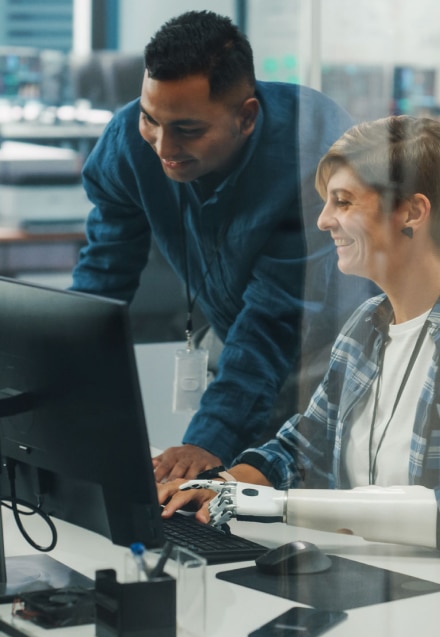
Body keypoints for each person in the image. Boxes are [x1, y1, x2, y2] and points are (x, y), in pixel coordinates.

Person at [70, 10, 374, 482]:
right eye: (152, 119)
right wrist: (58, 384)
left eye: (188, 130)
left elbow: (274, 319)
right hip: (235, 337)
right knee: (217, 499)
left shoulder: (308, 146)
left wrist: (207, 440)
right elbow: (104, 271)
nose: (163, 146)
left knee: (309, 502)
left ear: (246, 116)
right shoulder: (131, 138)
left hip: (335, 360)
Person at [159, 115, 440, 550]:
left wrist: (283, 505)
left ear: (412, 212)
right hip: (372, 576)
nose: (324, 220)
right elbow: (306, 443)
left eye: (343, 202)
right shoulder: (366, 325)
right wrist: (223, 486)